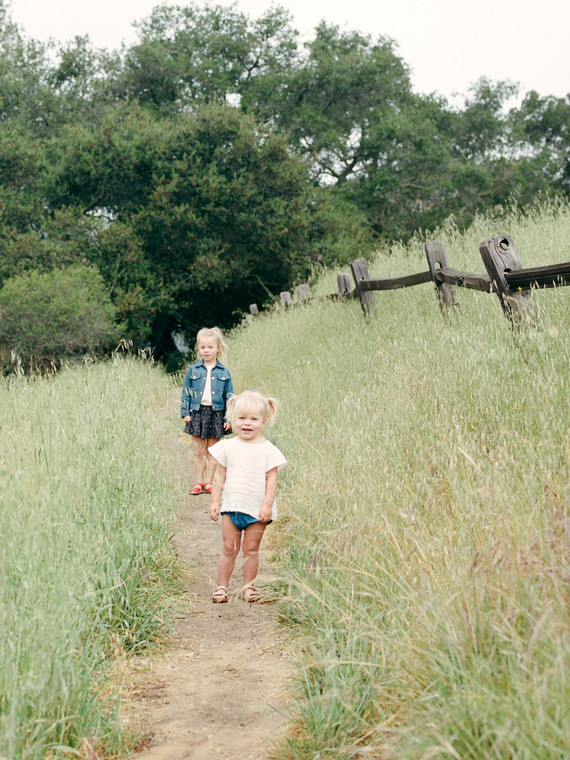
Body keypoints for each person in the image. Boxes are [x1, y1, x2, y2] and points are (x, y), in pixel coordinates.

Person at [208, 391, 287, 603]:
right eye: (241, 418)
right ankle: (222, 587)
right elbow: (219, 476)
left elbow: (271, 479)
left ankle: (248, 588)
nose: (247, 424)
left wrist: (267, 505)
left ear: (264, 420)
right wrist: (215, 501)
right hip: (231, 507)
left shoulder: (269, 450)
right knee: (228, 549)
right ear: (232, 419)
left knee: (251, 550)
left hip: (256, 510)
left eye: (253, 419)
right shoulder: (226, 446)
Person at [181, 327, 234, 496]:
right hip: (197, 412)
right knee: (199, 450)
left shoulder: (224, 372)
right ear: (198, 349)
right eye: (203, 347)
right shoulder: (193, 370)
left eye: (210, 347)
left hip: (217, 413)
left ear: (217, 348)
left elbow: (229, 396)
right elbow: (186, 392)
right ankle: (198, 481)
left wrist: (229, 417)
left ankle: (209, 482)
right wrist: (185, 412)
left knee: (213, 450)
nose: (206, 351)